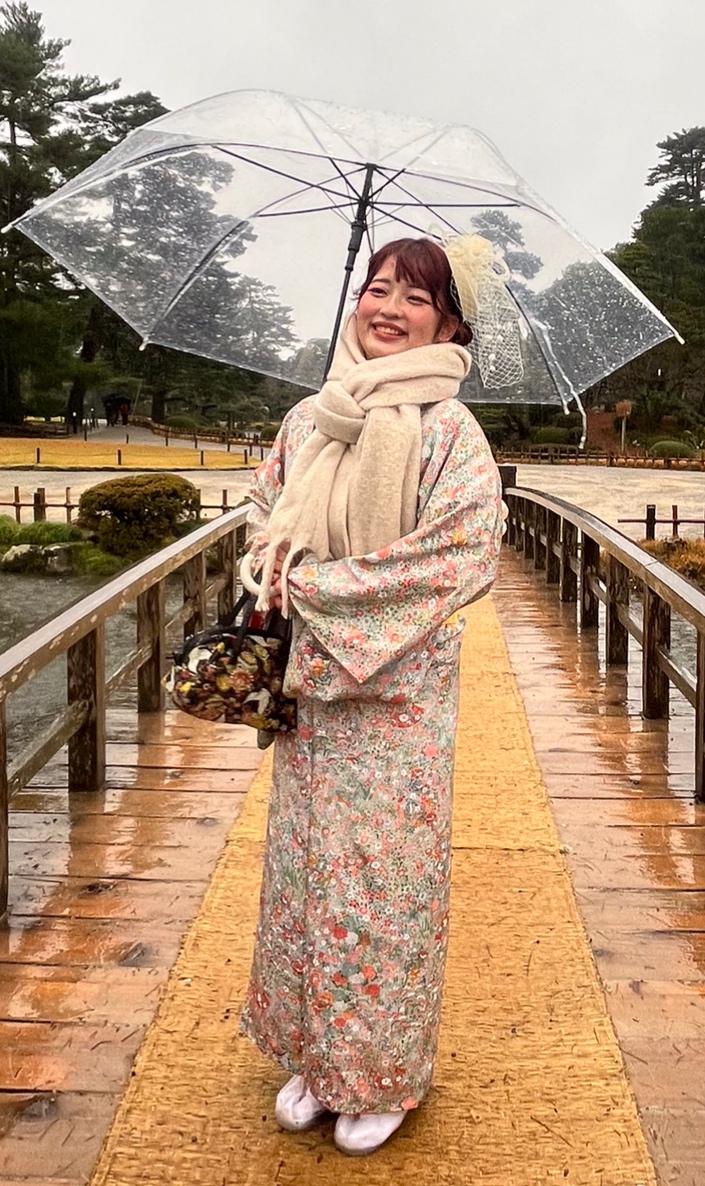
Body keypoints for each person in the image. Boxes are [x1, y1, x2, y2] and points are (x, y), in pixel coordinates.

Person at [239, 235, 507, 1156]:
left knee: (380, 884)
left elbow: (459, 555)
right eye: (377, 287)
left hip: (396, 699)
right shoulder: (310, 419)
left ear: (447, 323)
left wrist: (312, 589)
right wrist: (271, 568)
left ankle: (382, 1072)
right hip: (312, 694)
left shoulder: (448, 432)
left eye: (415, 297)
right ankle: (315, 1057)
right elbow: (262, 519)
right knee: (307, 874)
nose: (388, 307)